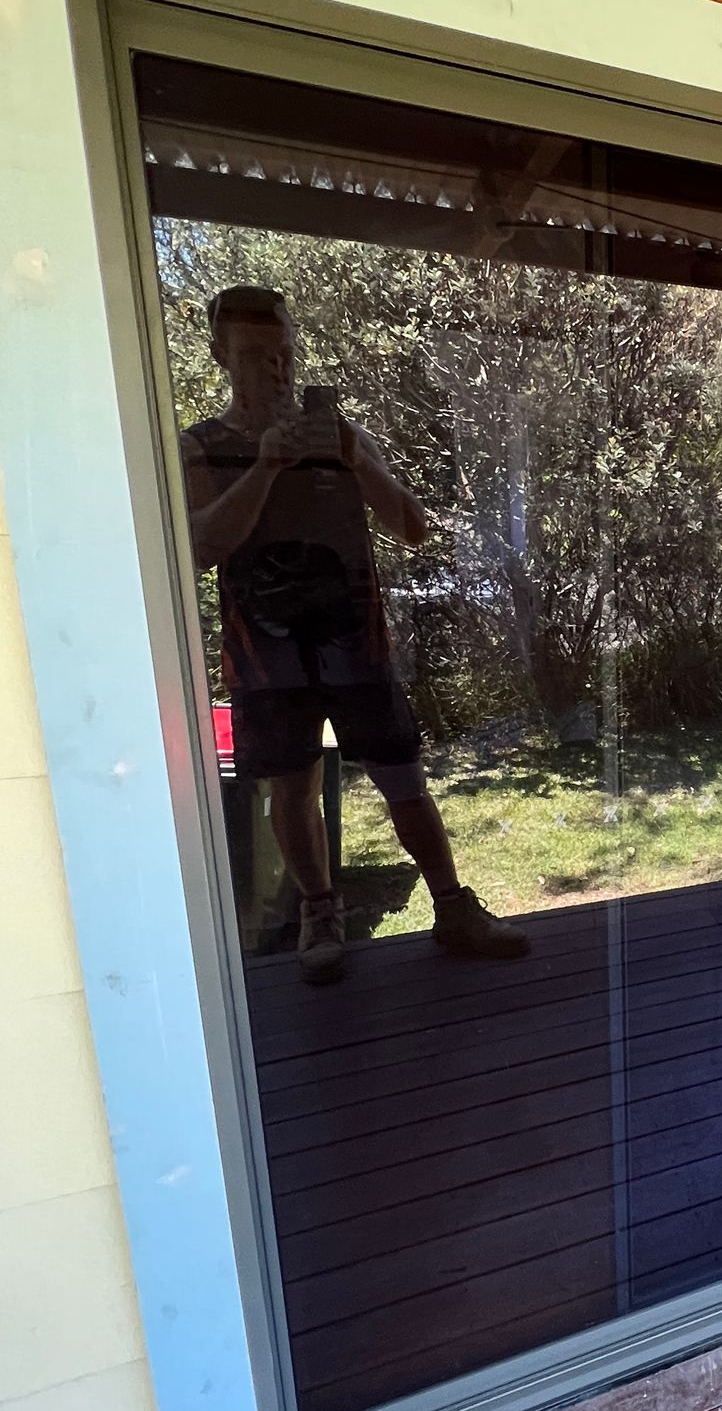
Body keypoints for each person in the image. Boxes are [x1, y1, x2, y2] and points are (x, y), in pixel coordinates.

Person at [182, 282, 529, 983]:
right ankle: (319, 912)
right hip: (265, 651)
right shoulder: (199, 446)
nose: (274, 370)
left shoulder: (343, 436)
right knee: (292, 787)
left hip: (356, 643)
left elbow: (414, 527)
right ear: (220, 355)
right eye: (253, 357)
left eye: (282, 353)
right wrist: (267, 464)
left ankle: (453, 907)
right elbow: (199, 547)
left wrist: (356, 458)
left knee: (403, 776)